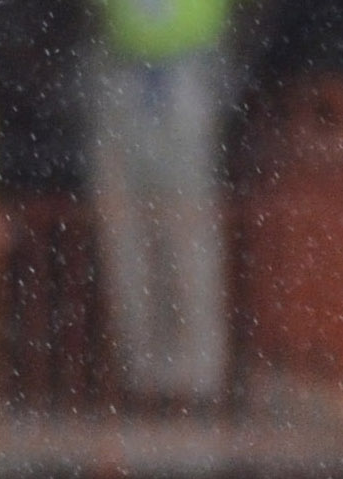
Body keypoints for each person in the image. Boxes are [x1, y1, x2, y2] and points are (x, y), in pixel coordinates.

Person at [84, 0, 233, 407]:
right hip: (120, 73)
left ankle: (197, 378)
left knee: (189, 234)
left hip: (187, 74)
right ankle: (142, 376)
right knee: (126, 237)